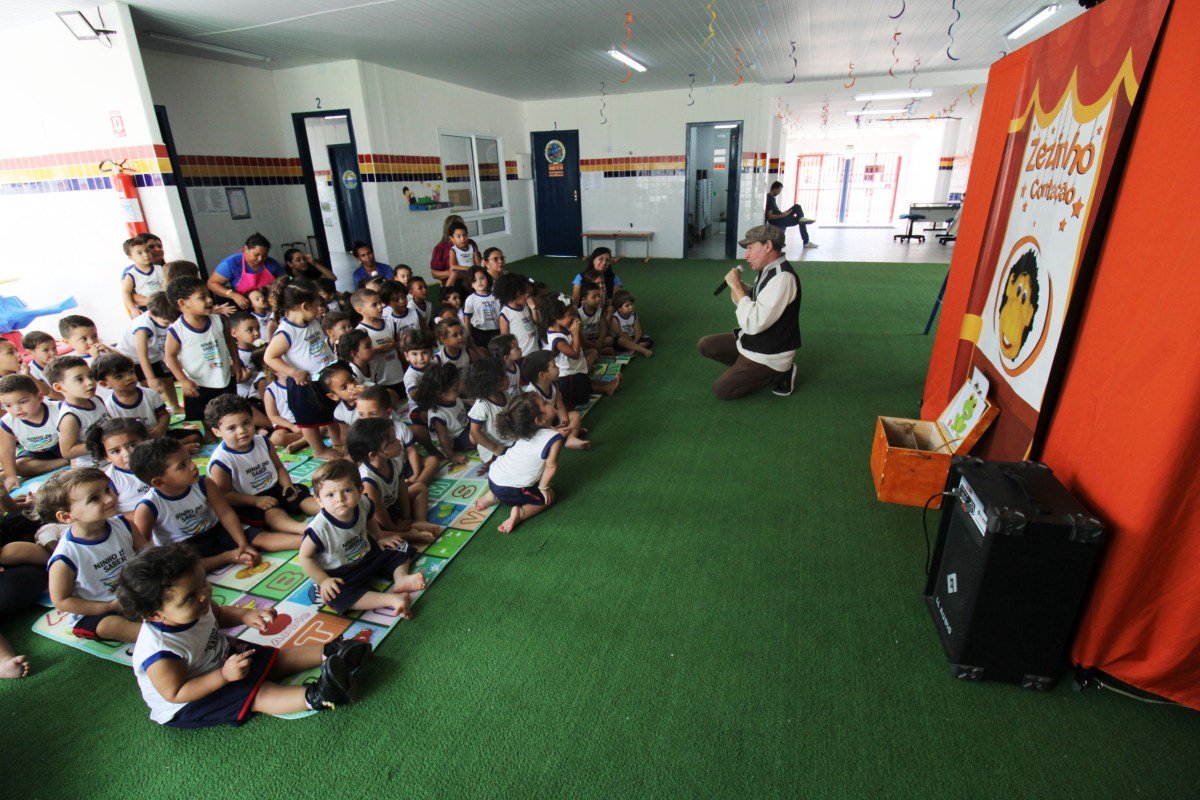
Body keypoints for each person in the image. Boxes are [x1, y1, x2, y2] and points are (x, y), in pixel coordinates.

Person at [117, 542, 365, 726]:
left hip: (222, 660)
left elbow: (220, 613)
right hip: (191, 701)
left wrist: (245, 616)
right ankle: (318, 695)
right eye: (190, 597)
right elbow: (175, 693)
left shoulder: (200, 606)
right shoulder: (160, 651)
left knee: (274, 658)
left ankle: (332, 651)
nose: (204, 594)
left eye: (203, 582)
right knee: (257, 694)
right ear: (155, 614)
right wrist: (224, 677)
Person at [130, 437, 299, 571]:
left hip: (217, 530)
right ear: (159, 482)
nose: (193, 466)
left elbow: (225, 514)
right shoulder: (148, 507)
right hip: (185, 546)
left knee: (262, 539)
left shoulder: (205, 484)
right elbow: (143, 549)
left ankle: (312, 540)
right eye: (182, 466)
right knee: (183, 566)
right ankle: (228, 557)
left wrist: (242, 543)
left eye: (189, 459)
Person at [297, 459, 426, 619]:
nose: (340, 499)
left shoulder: (362, 502)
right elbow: (304, 557)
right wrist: (324, 581)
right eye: (330, 495)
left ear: (359, 490)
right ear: (319, 500)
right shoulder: (319, 529)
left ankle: (401, 579)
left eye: (347, 491)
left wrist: (379, 537)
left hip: (368, 554)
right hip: (342, 572)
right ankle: (392, 599)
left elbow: (369, 517)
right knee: (336, 597)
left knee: (399, 543)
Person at [40, 467, 145, 643]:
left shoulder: (124, 525)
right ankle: (157, 637)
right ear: (66, 516)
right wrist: (108, 606)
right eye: (94, 498)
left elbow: (148, 556)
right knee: (110, 625)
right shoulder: (65, 558)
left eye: (107, 489)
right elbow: (61, 600)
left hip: (137, 594)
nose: (109, 498)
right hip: (98, 612)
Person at [697, 224, 802, 400]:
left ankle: (780, 372)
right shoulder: (767, 269)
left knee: (722, 390)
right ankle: (750, 369)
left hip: (770, 353)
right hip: (755, 342)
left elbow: (754, 323)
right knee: (705, 345)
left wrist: (737, 287)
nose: (746, 255)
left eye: (751, 248)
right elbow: (759, 298)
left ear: (768, 246)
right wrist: (743, 288)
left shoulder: (783, 277)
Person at [205, 395, 320, 537]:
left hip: (275, 488)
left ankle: (330, 510)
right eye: (232, 428)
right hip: (248, 500)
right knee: (272, 513)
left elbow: (278, 467)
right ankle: (306, 529)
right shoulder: (221, 461)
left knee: (300, 496)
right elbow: (224, 496)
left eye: (246, 423)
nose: (241, 431)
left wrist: (287, 485)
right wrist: (256, 501)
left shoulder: (263, 442)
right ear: (217, 431)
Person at [263, 277, 341, 459]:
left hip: (324, 378)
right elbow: (269, 357)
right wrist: (293, 372)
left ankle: (338, 442)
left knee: (331, 414)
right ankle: (319, 450)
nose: (320, 309)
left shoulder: (311, 321)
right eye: (317, 304)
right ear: (305, 306)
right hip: (304, 385)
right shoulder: (286, 332)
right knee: (310, 422)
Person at [472, 393, 563, 534]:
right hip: (511, 489)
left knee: (513, 470)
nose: (549, 403)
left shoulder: (523, 433)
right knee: (547, 498)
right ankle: (520, 512)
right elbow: (551, 466)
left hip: (493, 477)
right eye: (545, 403)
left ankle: (490, 497)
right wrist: (544, 487)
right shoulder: (554, 438)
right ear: (539, 420)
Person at [164, 277, 240, 437]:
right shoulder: (177, 330)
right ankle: (208, 431)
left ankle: (231, 428)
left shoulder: (218, 320)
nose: (209, 300)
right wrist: (183, 380)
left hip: (223, 374)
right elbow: (170, 356)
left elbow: (230, 342)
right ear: (183, 303)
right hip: (199, 381)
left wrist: (236, 364)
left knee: (229, 406)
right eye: (202, 297)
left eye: (208, 295)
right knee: (203, 410)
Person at [0, 374, 67, 487]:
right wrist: (11, 475)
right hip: (37, 453)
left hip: (63, 446)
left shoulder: (60, 409)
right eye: (8, 405)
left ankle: (69, 458)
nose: (17, 409)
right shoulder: (7, 422)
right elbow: (6, 450)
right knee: (18, 466)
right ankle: (65, 461)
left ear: (40, 397)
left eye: (23, 402)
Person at [47, 356, 111, 467]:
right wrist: (103, 442)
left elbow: (110, 423)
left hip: (111, 457)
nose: (90, 382)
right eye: (79, 379)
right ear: (59, 387)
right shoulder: (70, 417)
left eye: (90, 376)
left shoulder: (96, 399)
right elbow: (67, 452)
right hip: (93, 467)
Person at [207, 233, 286, 310]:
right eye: (256, 255)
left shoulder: (272, 263)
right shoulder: (231, 263)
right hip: (246, 308)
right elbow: (211, 284)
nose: (260, 259)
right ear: (245, 249)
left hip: (271, 306)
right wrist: (233, 295)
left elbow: (285, 280)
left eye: (264, 256)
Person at [121, 234, 165, 316]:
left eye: (147, 251)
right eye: (139, 253)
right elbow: (126, 292)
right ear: (130, 257)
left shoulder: (159, 268)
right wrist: (132, 309)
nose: (145, 255)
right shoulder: (131, 274)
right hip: (147, 309)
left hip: (165, 303)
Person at [765, 181, 818, 249]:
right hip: (777, 220)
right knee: (800, 221)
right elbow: (769, 216)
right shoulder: (769, 199)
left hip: (781, 216)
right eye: (779, 190)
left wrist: (784, 213)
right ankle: (806, 241)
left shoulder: (771, 198)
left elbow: (775, 212)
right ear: (775, 189)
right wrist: (782, 215)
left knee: (797, 206)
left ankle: (801, 219)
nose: (779, 192)